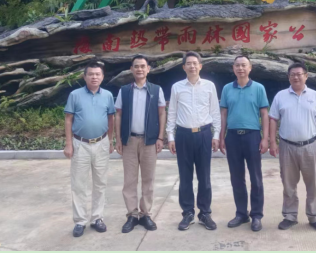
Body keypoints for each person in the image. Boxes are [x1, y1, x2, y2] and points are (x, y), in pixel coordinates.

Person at [268, 62, 316, 233]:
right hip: (287, 147)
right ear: (288, 77)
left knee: (314, 183)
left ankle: (314, 216)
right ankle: (290, 216)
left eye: (299, 74)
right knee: (288, 184)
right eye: (292, 74)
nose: (296, 77)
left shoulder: (315, 96)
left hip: (311, 146)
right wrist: (272, 142)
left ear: (306, 75)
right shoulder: (280, 96)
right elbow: (273, 119)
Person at [166, 51, 221, 231]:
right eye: (188, 63)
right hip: (183, 135)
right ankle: (188, 213)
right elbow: (172, 113)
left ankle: (205, 213)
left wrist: (216, 135)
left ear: (200, 66)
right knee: (185, 176)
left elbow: (215, 112)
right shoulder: (176, 87)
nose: (192, 66)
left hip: (204, 134)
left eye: (195, 63)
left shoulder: (209, 86)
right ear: (184, 67)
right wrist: (170, 137)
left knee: (204, 177)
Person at [63, 60, 116, 238]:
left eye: (98, 74)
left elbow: (110, 119)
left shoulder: (108, 95)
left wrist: (110, 140)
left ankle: (97, 218)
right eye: (91, 74)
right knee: (79, 184)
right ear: (85, 76)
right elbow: (68, 119)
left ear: (102, 77)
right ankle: (80, 221)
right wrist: (69, 144)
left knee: (100, 183)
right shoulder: (75, 95)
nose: (94, 77)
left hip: (101, 143)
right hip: (80, 144)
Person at [115, 55, 167, 233]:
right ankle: (132, 215)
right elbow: (119, 115)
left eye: (143, 66)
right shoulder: (124, 91)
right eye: (136, 66)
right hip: (129, 141)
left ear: (148, 69)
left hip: (149, 141)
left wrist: (160, 137)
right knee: (129, 180)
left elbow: (161, 114)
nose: (139, 69)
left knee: (148, 179)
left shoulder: (156, 90)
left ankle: (146, 214)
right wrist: (118, 139)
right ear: (131, 69)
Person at [219, 56, 269, 232]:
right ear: (233, 68)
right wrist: (221, 136)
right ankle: (241, 213)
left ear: (250, 68)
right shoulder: (227, 88)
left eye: (244, 65)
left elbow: (264, 114)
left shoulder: (258, 88)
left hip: (252, 136)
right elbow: (223, 114)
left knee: (256, 177)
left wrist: (265, 138)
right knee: (236, 177)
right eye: (237, 65)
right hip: (232, 137)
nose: (240, 68)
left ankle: (256, 215)